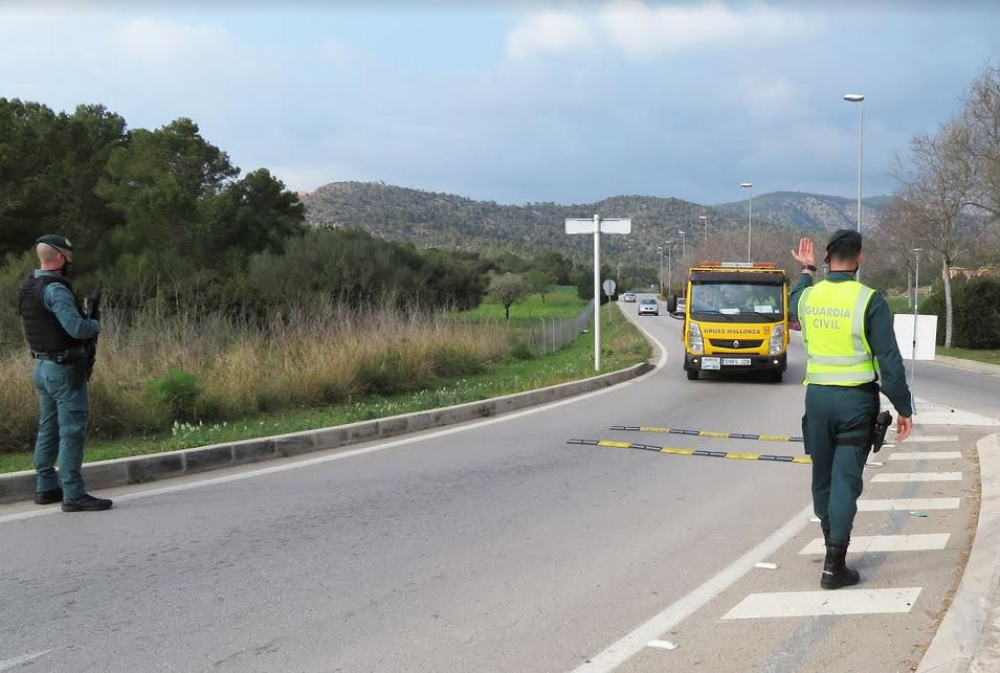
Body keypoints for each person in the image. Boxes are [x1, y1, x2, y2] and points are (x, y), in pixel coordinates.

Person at [789, 230, 912, 589]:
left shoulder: (809, 298)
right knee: (845, 480)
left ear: (827, 257)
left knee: (823, 478)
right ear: (859, 259)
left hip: (818, 400)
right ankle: (834, 564)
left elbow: (796, 296)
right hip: (856, 402)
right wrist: (903, 407)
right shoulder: (869, 300)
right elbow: (889, 360)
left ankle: (830, 544)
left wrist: (806, 270)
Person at [17, 234, 112, 512]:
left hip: (42, 367)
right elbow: (76, 329)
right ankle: (73, 494)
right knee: (71, 431)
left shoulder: (29, 287)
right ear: (59, 257)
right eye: (69, 257)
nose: (71, 262)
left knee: (49, 427)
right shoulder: (56, 290)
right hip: (64, 369)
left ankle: (46, 487)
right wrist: (94, 324)